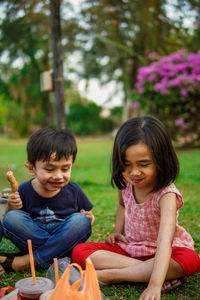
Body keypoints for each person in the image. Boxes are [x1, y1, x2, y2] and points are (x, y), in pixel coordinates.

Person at [72, 116, 200, 300]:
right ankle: (146, 272)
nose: (134, 172)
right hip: (131, 249)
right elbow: (122, 205)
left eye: (143, 164)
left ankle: (112, 275)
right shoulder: (125, 184)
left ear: (161, 160)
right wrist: (118, 230)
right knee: (79, 252)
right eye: (126, 165)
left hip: (165, 252)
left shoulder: (167, 195)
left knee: (191, 261)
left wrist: (155, 285)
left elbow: (165, 240)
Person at [0, 127, 95, 276]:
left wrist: (90, 218)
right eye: (50, 169)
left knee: (80, 221)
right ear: (32, 168)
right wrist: (11, 207)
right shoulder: (24, 190)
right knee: (12, 218)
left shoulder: (74, 190)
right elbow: (9, 223)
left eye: (65, 169)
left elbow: (85, 219)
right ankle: (59, 254)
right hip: (36, 236)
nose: (58, 176)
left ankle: (25, 261)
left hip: (63, 233)